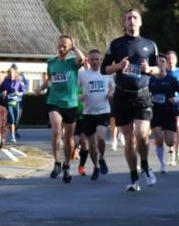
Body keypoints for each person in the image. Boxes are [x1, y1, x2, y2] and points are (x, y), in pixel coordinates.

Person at [101, 10, 166, 192]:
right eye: (128, 18)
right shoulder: (116, 44)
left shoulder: (150, 45)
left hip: (142, 95)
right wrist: (118, 66)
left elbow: (160, 71)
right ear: (125, 22)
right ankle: (133, 177)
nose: (132, 21)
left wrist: (149, 69)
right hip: (122, 96)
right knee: (129, 139)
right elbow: (103, 69)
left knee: (142, 136)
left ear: (140, 22)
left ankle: (144, 165)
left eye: (135, 18)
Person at [42, 35, 84, 183]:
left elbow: (82, 60)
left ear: (70, 48)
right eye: (59, 45)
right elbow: (50, 79)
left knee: (68, 138)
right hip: (54, 101)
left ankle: (67, 165)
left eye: (64, 46)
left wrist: (74, 48)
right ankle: (57, 162)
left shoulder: (73, 63)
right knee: (56, 131)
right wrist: (41, 87)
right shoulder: (51, 63)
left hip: (71, 103)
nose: (61, 49)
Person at [78, 48, 114, 181]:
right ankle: (96, 166)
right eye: (92, 59)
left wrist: (111, 93)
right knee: (92, 145)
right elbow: (73, 91)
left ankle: (102, 158)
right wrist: (79, 97)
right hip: (88, 113)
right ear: (88, 60)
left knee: (101, 137)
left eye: (97, 59)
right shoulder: (82, 75)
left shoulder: (107, 73)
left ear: (101, 60)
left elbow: (112, 88)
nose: (94, 62)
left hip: (103, 111)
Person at [149, 54, 179, 173]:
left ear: (166, 64)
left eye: (163, 61)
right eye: (158, 62)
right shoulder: (151, 80)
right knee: (158, 139)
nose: (161, 64)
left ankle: (168, 143)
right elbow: (144, 93)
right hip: (155, 113)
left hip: (169, 113)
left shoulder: (172, 79)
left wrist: (177, 99)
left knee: (169, 142)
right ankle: (163, 163)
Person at [0, 65, 28, 143]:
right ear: (8, 73)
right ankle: (13, 136)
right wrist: (2, 94)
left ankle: (10, 128)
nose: (11, 74)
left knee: (16, 120)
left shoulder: (19, 80)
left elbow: (24, 91)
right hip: (9, 102)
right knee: (11, 118)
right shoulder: (6, 81)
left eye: (13, 72)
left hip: (17, 102)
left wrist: (19, 93)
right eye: (10, 72)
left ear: (15, 73)